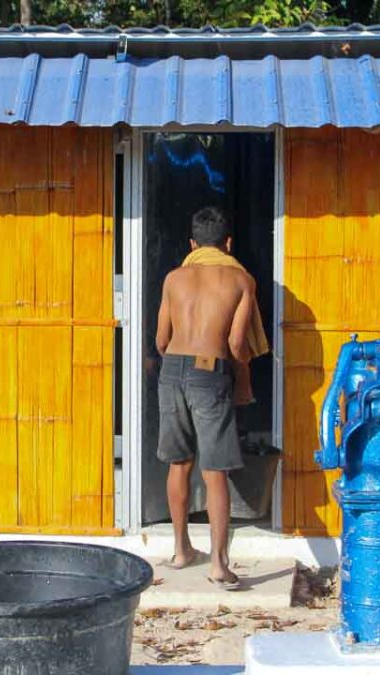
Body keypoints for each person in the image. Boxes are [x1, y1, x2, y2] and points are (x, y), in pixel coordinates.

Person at [155, 206, 269, 590]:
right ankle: (219, 565)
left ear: (192, 244)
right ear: (229, 243)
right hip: (210, 368)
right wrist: (240, 378)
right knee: (214, 470)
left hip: (172, 369)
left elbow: (160, 340)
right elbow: (237, 343)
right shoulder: (240, 280)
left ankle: (181, 549)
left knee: (179, 462)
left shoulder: (174, 278)